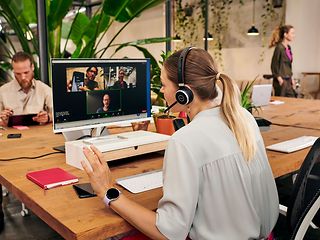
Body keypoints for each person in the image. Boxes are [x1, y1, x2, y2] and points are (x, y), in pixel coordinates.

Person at [81, 48, 279, 239]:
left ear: (184, 93)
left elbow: (168, 233)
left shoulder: (185, 140)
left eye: (165, 85)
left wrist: (108, 191)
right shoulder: (243, 117)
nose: (163, 91)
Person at [0, 52, 52, 127]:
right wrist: (1, 120)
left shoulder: (44, 89)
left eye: (26, 72)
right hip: (12, 136)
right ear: (13, 71)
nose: (23, 77)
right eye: (18, 74)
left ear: (32, 67)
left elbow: (59, 114)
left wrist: (48, 117)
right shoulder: (2, 91)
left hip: (39, 135)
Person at [270, 25, 296, 97]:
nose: (294, 35)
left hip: (288, 80)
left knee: (292, 100)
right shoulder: (279, 48)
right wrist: (279, 79)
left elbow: (288, 66)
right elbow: (274, 65)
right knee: (281, 102)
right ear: (285, 34)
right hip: (281, 81)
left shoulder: (288, 48)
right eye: (292, 33)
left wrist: (292, 79)